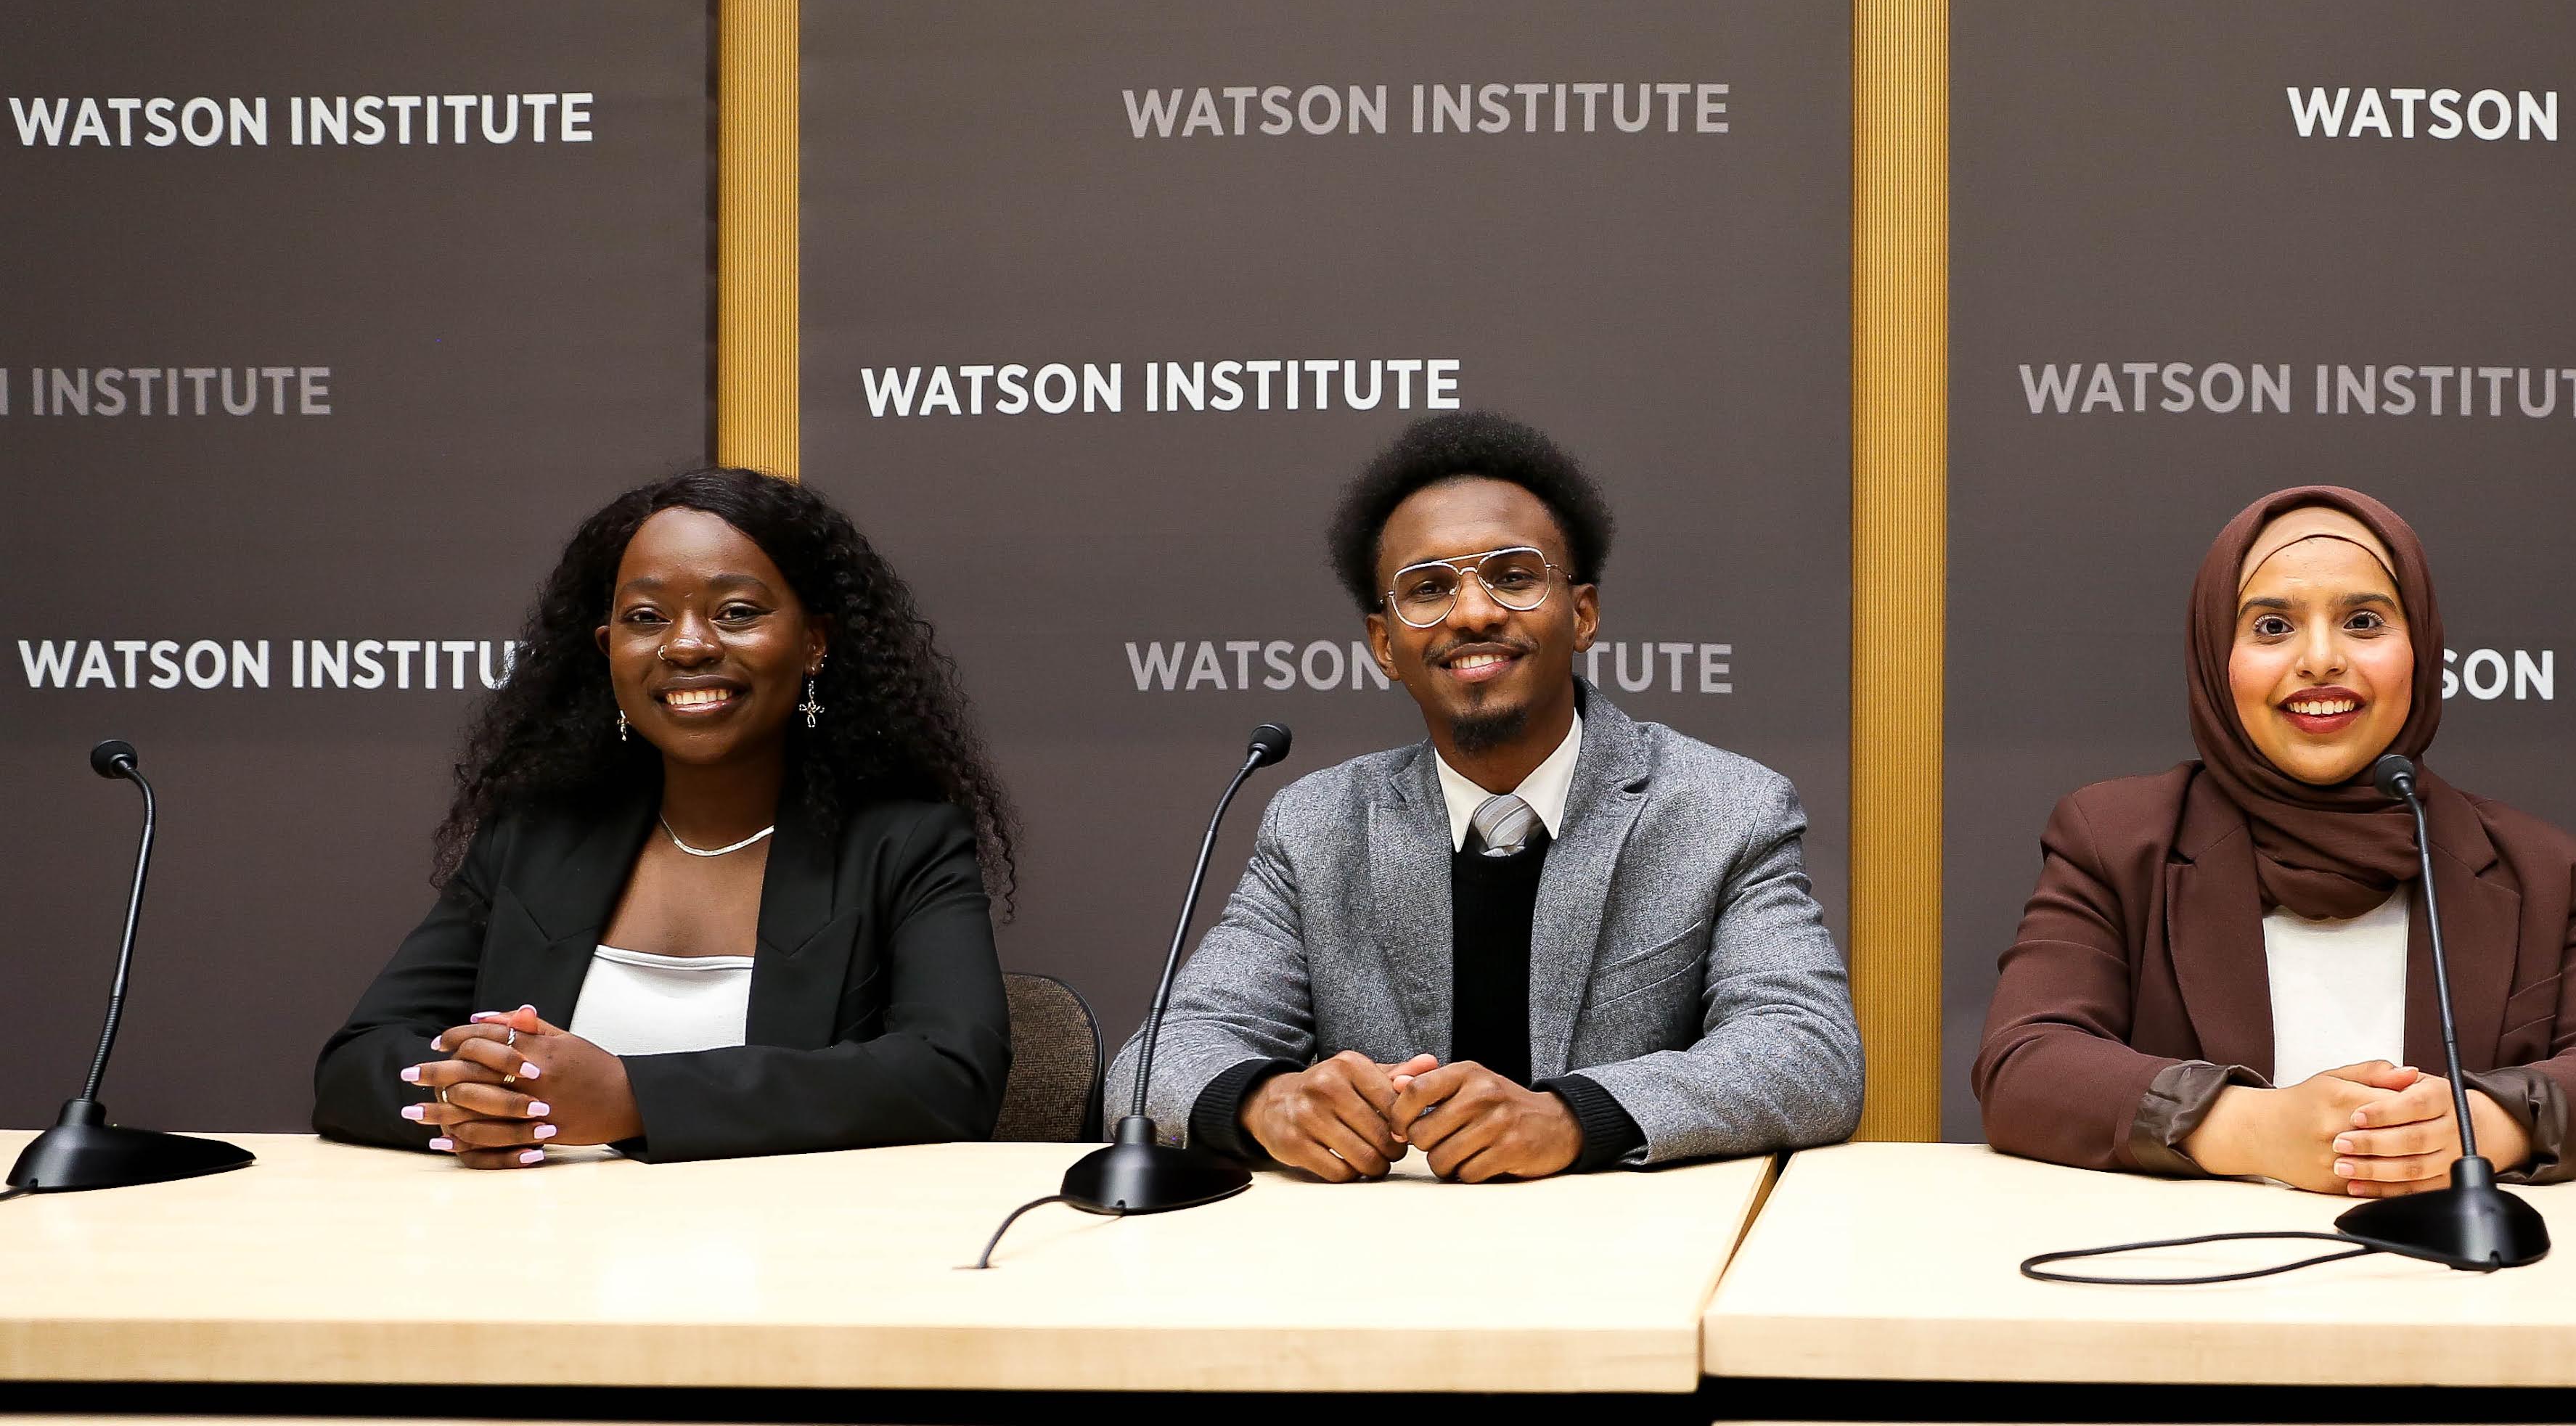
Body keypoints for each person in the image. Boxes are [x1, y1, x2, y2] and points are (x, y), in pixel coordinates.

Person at [1109, 410, 1861, 1179]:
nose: (1472, 613)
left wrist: (1572, 1117)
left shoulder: (1723, 807)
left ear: (1583, 614)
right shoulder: (1316, 824)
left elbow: (1807, 1054)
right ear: (1383, 646)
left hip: (1635, 1260)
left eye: (1512, 576)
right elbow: (1162, 1059)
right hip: (1371, 1265)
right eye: (1428, 589)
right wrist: (1266, 1102)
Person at [1975, 484, 2576, 1187]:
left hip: (2452, 1287)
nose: (2319, 659)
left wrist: (2485, 1126)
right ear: (2214, 661)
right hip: (2195, 1278)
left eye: (2363, 622)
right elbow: (2027, 1062)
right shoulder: (2115, 841)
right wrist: (2250, 1128)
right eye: (2271, 627)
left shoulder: (2539, 870)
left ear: (2421, 648)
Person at [315, 468, 1015, 1164]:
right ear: (607, 651)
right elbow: (358, 1061)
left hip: (794, 1258)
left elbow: (950, 1078)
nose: (686, 646)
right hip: (539, 1259)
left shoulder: (906, 843)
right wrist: (473, 1102)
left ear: (814, 641)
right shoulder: (533, 836)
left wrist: (633, 1098)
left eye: (736, 612)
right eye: (645, 618)